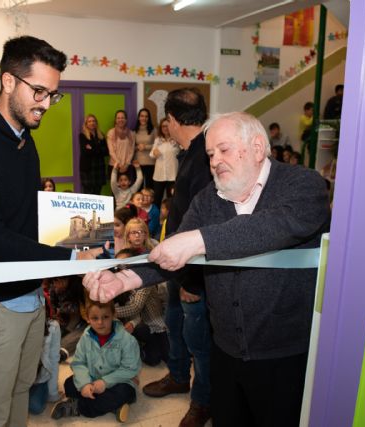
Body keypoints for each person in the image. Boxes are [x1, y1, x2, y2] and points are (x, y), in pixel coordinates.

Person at [84, 111, 331, 427]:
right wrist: (122, 280)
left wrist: (197, 240)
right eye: (211, 154)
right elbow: (173, 252)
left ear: (257, 148)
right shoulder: (207, 200)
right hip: (225, 351)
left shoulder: (303, 185)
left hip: (286, 353)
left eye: (224, 150)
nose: (214, 162)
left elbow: (271, 227)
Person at [0, 35, 100, 427]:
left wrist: (83, 235)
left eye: (54, 95)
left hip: (30, 295)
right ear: (8, 81)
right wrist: (70, 257)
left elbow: (30, 217)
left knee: (20, 391)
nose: (47, 104)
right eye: (40, 91)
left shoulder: (23, 142)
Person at [139, 88, 216, 427]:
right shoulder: (192, 151)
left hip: (193, 272)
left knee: (199, 340)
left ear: (170, 120)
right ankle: (176, 375)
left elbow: (207, 225)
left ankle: (202, 403)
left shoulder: (205, 157)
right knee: (174, 325)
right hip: (177, 266)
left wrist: (192, 281)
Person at [51, 299, 140, 423]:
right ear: (87, 319)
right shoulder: (85, 338)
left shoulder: (127, 340)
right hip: (92, 379)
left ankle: (79, 407)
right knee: (69, 385)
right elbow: (78, 362)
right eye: (95, 318)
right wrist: (84, 384)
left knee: (125, 392)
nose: (100, 322)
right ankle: (114, 407)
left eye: (105, 317)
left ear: (113, 316)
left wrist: (105, 382)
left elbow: (130, 368)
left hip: (118, 382)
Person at [114, 248, 169, 367]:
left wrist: (111, 313)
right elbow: (132, 310)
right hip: (142, 326)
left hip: (158, 326)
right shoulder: (121, 283)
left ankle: (141, 348)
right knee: (153, 360)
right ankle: (139, 347)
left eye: (126, 264)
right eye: (119, 265)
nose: (122, 268)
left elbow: (135, 307)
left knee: (167, 357)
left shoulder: (144, 281)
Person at [150, 117, 180, 205]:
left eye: (167, 126)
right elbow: (151, 154)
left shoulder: (177, 139)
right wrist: (154, 152)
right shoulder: (158, 140)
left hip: (172, 175)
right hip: (159, 175)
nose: (165, 128)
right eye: (163, 126)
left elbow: (183, 150)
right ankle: (156, 217)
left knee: (171, 200)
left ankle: (169, 219)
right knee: (157, 199)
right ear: (161, 128)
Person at [79, 114, 108, 195]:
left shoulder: (101, 135)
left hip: (99, 168)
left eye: (94, 121)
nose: (92, 123)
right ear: (86, 124)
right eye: (89, 121)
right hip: (88, 170)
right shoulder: (83, 135)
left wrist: (92, 148)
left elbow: (106, 152)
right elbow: (85, 152)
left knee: (98, 193)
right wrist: (98, 149)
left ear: (96, 123)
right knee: (89, 195)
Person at [107, 110, 136, 182]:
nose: (120, 120)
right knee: (115, 191)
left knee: (127, 191)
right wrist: (119, 164)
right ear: (115, 120)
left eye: (122, 118)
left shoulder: (131, 133)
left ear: (126, 120)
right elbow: (111, 152)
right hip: (114, 166)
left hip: (127, 166)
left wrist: (126, 165)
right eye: (118, 118)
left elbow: (131, 151)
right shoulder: (111, 132)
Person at [133, 108, 156, 189]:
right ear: (139, 117)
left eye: (146, 116)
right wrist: (137, 147)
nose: (144, 118)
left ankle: (150, 202)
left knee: (150, 187)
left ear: (148, 118)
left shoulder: (153, 130)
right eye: (142, 116)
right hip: (138, 163)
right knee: (138, 187)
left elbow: (157, 145)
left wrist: (145, 147)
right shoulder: (134, 131)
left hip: (151, 163)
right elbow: (131, 147)